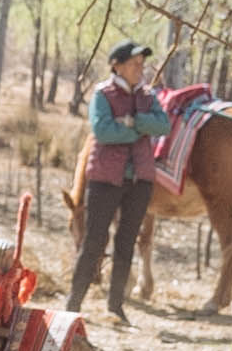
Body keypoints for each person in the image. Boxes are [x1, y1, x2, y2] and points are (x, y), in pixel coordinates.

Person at [71, 33, 167, 314]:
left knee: (126, 243)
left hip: (139, 181)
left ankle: (116, 307)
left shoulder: (148, 97)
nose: (141, 68)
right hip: (105, 180)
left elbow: (163, 126)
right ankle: (73, 304)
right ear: (118, 66)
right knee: (93, 242)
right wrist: (138, 131)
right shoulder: (103, 94)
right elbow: (103, 131)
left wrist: (133, 121)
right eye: (135, 63)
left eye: (141, 63)